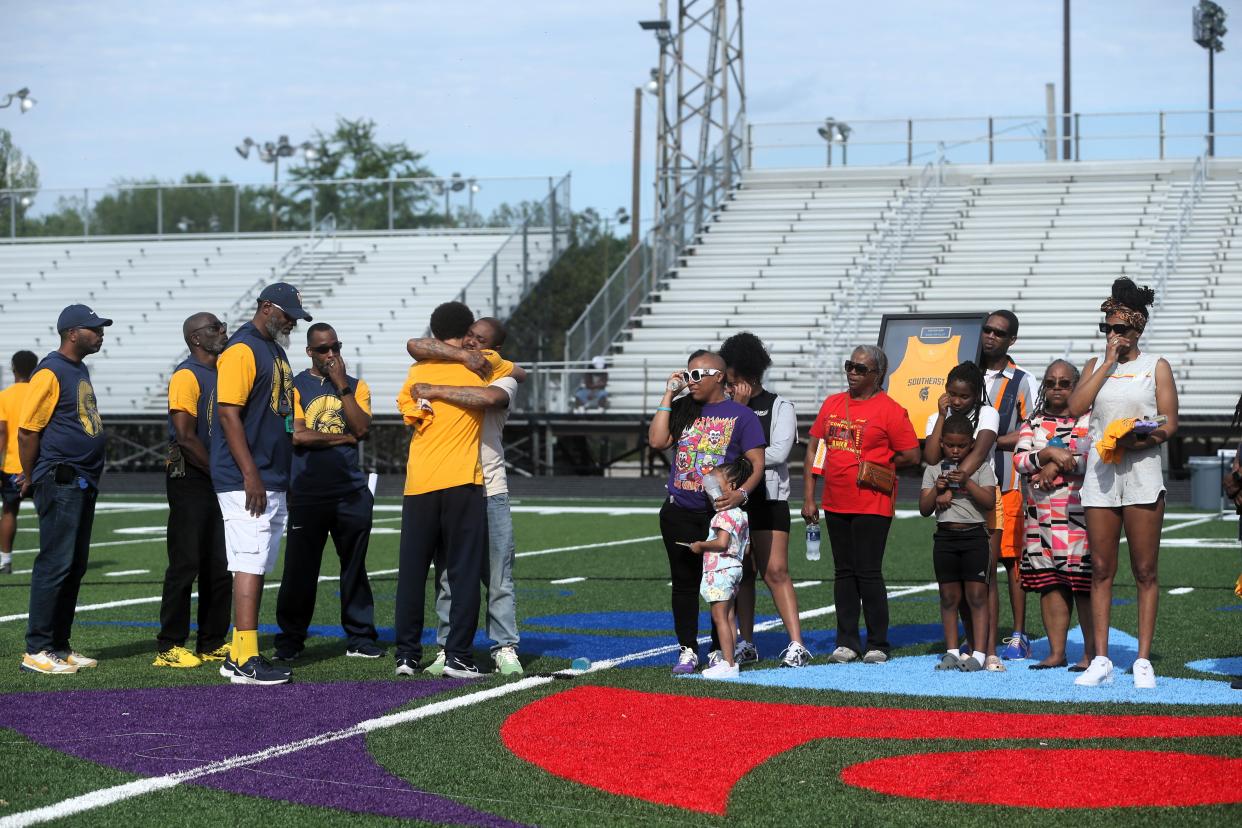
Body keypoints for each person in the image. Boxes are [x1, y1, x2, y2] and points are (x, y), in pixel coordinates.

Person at [394, 302, 515, 679]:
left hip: (419, 483)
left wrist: (432, 389)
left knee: (413, 574)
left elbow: (411, 410)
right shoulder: (485, 362)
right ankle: (459, 656)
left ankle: (407, 655)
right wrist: (465, 358)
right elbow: (516, 372)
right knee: (463, 575)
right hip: (465, 481)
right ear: (465, 335)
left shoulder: (416, 372)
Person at [1068, 277, 1178, 689]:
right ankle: (1101, 657)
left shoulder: (1156, 366)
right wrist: (1107, 363)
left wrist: (1144, 436)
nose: (1113, 335)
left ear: (1138, 330)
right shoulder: (1097, 366)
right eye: (1107, 329)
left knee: (1145, 568)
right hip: (1101, 471)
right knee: (1100, 567)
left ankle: (1143, 660)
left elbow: (1170, 420)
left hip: (1142, 468)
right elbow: (1077, 406)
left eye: (1120, 329)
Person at [212, 282, 311, 686]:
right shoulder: (242, 348)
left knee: (257, 561)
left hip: (270, 472)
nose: (290, 322)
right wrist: (250, 472)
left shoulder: (275, 349)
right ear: (266, 307)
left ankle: (239, 651)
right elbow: (228, 414)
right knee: (249, 561)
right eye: (286, 313)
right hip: (246, 476)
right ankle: (245, 660)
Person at [649, 350, 766, 675]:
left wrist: (741, 494)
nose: (691, 382)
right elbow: (657, 440)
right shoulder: (684, 407)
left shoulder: (741, 416)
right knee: (684, 583)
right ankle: (687, 648)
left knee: (720, 584)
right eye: (688, 375)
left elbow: (758, 465)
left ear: (718, 376)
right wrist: (671, 392)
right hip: (679, 511)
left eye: (697, 376)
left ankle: (718, 648)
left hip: (717, 515)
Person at [802, 345, 921, 665]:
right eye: (849, 366)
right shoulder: (832, 403)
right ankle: (847, 641)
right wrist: (810, 496)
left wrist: (879, 465)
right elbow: (815, 450)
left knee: (868, 573)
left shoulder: (891, 410)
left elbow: (912, 455)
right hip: (836, 502)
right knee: (843, 573)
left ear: (878, 375)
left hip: (873, 502)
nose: (852, 373)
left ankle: (878, 642)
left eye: (860, 368)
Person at [273, 322, 381, 662]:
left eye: (335, 347)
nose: (331, 354)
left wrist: (340, 385)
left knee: (355, 567)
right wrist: (344, 438)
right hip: (307, 491)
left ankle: (360, 637)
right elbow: (299, 435)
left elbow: (361, 427)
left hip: (351, 491)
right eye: (323, 349)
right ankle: (291, 640)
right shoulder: (295, 386)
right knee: (300, 571)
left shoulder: (356, 386)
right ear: (309, 352)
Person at [17, 305, 110, 674]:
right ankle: (37, 649)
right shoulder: (51, 370)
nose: (100, 334)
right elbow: (27, 430)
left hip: (82, 477)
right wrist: (31, 474)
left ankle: (59, 645)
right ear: (72, 333)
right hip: (60, 477)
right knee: (55, 563)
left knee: (73, 565)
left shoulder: (78, 368)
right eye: (94, 329)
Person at [718, 331, 808, 668]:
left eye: (731, 377)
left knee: (776, 571)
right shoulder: (726, 409)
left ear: (747, 374)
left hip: (769, 499)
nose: (727, 383)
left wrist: (744, 454)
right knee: (742, 573)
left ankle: (797, 643)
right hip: (736, 502)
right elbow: (719, 451)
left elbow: (779, 452)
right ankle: (747, 641)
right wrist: (737, 414)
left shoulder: (779, 406)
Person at [153, 313, 232, 668]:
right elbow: (185, 436)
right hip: (192, 479)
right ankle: (169, 644)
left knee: (220, 563)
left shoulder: (222, 373)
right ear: (196, 338)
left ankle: (211, 640)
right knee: (185, 564)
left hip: (217, 478)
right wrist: (219, 472)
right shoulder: (187, 375)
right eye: (215, 328)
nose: (223, 332)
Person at [1013, 359, 1095, 671]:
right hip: (1039, 519)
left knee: (1082, 586)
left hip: (1077, 516)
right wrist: (1047, 454)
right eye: (1051, 383)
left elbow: (1089, 460)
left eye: (1065, 383)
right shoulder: (1032, 423)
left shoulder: (1087, 420)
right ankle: (1057, 653)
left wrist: (1053, 464)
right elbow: (1020, 461)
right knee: (1049, 584)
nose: (1057, 388)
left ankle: (1090, 654)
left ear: (1076, 387)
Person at [922, 361, 1004, 670]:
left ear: (976, 395)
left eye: (964, 396)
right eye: (951, 394)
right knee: (957, 587)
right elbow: (931, 457)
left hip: (978, 500)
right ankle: (964, 647)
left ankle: (989, 651)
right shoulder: (939, 416)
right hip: (949, 510)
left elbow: (978, 452)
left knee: (985, 580)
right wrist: (942, 416)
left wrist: (953, 486)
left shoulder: (987, 413)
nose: (957, 401)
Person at [978, 310, 1039, 660]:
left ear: (1011, 339)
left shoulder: (1022, 380)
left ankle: (1018, 633)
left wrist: (990, 440)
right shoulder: (966, 372)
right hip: (970, 481)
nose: (990, 337)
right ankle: (979, 631)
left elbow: (1031, 429)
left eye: (999, 333)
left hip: (1008, 481)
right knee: (976, 558)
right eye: (987, 330)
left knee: (1011, 559)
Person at [689, 458, 753, 679]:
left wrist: (700, 546)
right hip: (735, 568)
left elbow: (722, 543)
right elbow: (745, 548)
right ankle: (730, 660)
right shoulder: (741, 515)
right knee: (729, 617)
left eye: (717, 484)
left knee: (720, 617)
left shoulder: (723, 515)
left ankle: (728, 663)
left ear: (732, 487)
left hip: (721, 570)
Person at [0, 350, 37, 575]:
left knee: (9, 511)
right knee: (47, 513)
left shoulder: (4, 396)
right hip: (37, 465)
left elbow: (2, 434)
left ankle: (5, 561)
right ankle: (52, 561)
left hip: (11, 465)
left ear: (13, 368)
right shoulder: (39, 393)